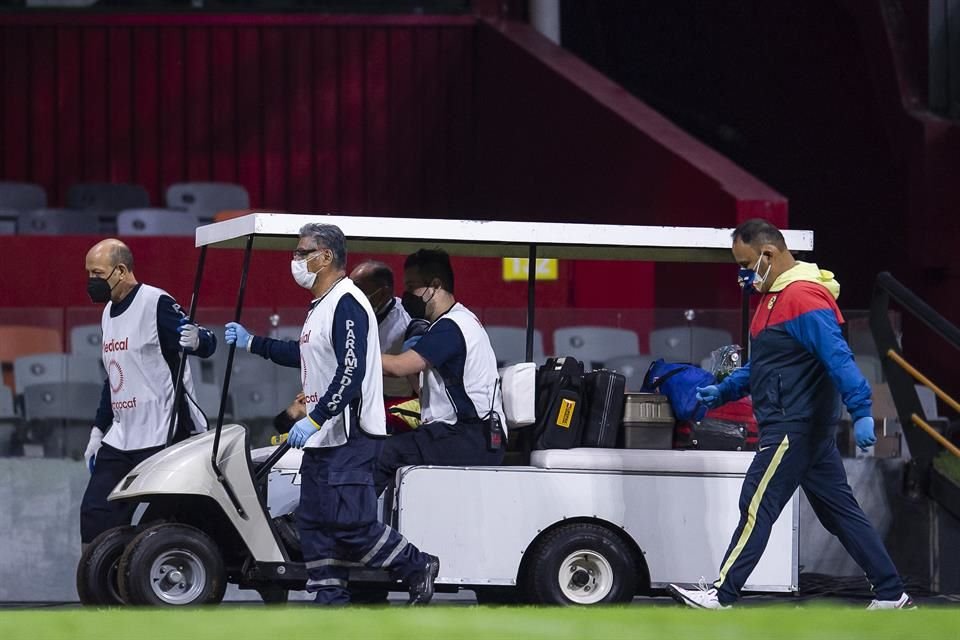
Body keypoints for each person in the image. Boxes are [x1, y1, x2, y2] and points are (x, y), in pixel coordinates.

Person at [667, 219, 913, 610]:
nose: (744, 274)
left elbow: (839, 358)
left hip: (790, 426)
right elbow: (765, 364)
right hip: (802, 427)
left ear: (769, 254)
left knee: (756, 503)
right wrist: (724, 390)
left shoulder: (802, 298)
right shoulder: (772, 299)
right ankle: (891, 593)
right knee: (841, 514)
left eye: (746, 265)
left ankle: (722, 593)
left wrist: (862, 410)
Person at [223, 223, 439, 606]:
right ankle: (329, 598)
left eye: (301, 252)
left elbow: (352, 371)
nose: (295, 260)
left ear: (324, 257)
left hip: (351, 435)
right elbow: (305, 355)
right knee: (314, 523)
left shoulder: (347, 303)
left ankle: (416, 565)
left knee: (352, 524)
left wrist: (315, 417)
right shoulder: (322, 308)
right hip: (325, 439)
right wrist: (253, 342)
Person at [80, 239, 216, 547]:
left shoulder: (156, 303)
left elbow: (204, 342)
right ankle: (100, 588)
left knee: (161, 522)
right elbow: (114, 377)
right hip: (123, 434)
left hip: (163, 430)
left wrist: (198, 339)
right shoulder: (107, 314)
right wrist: (98, 430)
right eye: (88, 274)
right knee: (96, 512)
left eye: (97, 273)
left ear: (121, 270)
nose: (91, 281)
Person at [374, 248, 505, 495]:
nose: (406, 295)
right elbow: (420, 387)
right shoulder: (451, 323)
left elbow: (398, 367)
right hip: (460, 434)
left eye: (412, 286)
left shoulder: (452, 327)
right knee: (385, 444)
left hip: (470, 436)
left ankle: (355, 527)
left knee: (382, 453)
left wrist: (354, 355)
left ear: (435, 285)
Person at [350, 260, 428, 399]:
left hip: (394, 403)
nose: (352, 297)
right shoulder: (350, 315)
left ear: (383, 293)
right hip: (357, 396)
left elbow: (408, 372)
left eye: (359, 290)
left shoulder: (407, 324)